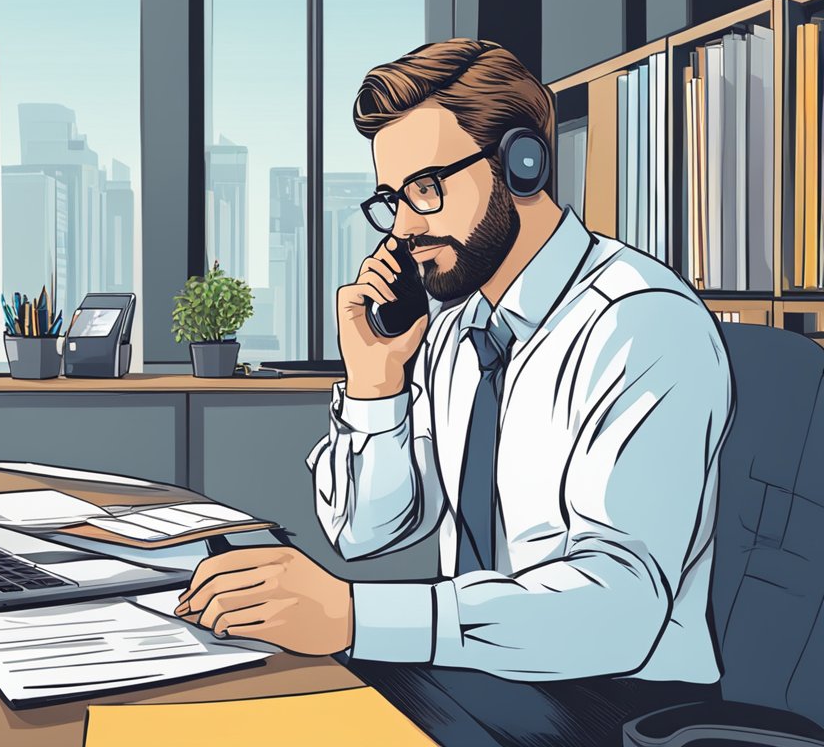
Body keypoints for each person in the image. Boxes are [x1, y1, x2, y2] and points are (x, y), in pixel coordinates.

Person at [174, 38, 734, 745]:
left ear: (521, 165)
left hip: (620, 701)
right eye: (392, 200)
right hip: (481, 676)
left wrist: (351, 616)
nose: (405, 227)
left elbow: (619, 611)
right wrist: (376, 385)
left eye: (427, 188)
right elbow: (368, 534)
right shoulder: (457, 328)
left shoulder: (640, 321)